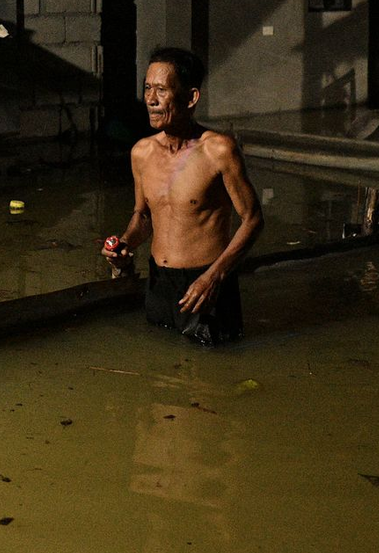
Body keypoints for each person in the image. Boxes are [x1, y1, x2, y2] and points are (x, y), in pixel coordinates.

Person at [103, 47, 263, 346]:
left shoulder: (218, 150)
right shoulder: (141, 152)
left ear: (190, 98)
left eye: (161, 90)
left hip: (206, 284)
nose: (150, 100)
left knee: (214, 377)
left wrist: (216, 276)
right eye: (148, 88)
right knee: (160, 366)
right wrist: (125, 243)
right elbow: (144, 215)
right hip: (159, 283)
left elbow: (253, 219)